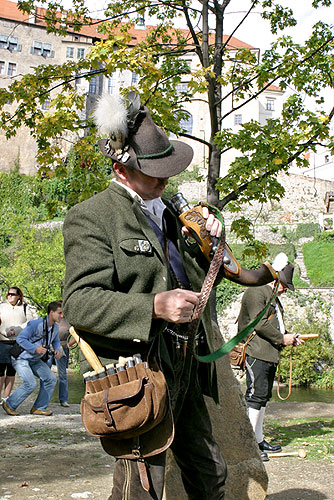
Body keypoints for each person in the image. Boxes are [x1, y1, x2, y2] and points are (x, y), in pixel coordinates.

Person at [62, 92, 277, 500]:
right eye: (154, 173)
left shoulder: (172, 213)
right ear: (121, 170)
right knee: (140, 490)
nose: (164, 180)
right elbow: (79, 302)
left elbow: (199, 284)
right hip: (138, 373)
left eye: (168, 171)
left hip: (186, 367)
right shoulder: (91, 216)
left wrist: (208, 241)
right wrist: (154, 307)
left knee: (210, 473)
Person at [237, 253, 304, 462]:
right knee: (255, 396)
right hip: (256, 351)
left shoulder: (271, 294)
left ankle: (258, 439)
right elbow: (259, 323)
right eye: (284, 284)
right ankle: (249, 446)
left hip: (267, 352)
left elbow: (276, 325)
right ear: (274, 278)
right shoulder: (257, 291)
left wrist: (289, 338)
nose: (285, 288)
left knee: (263, 397)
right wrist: (283, 339)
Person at [2, 301, 63, 417]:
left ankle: (39, 407)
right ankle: (9, 404)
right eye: (59, 313)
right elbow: (20, 339)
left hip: (35, 360)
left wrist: (57, 350)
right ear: (51, 312)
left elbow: (55, 341)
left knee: (50, 379)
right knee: (30, 383)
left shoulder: (55, 327)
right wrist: (35, 349)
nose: (62, 316)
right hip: (21, 358)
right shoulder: (36, 324)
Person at [0, 286, 35, 402]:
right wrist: (5, 331)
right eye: (8, 294)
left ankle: (6, 397)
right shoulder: (1, 307)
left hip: (18, 343)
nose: (10, 296)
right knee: (0, 371)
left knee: (11, 371)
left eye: (12, 294)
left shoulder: (25, 308)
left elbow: (30, 323)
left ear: (19, 296)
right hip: (2, 341)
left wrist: (17, 330)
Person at [50, 317, 76, 407]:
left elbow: (77, 335)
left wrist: (69, 344)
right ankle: (44, 400)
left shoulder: (69, 321)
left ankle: (63, 400)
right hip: (49, 348)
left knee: (62, 375)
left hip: (62, 348)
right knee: (45, 374)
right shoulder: (51, 319)